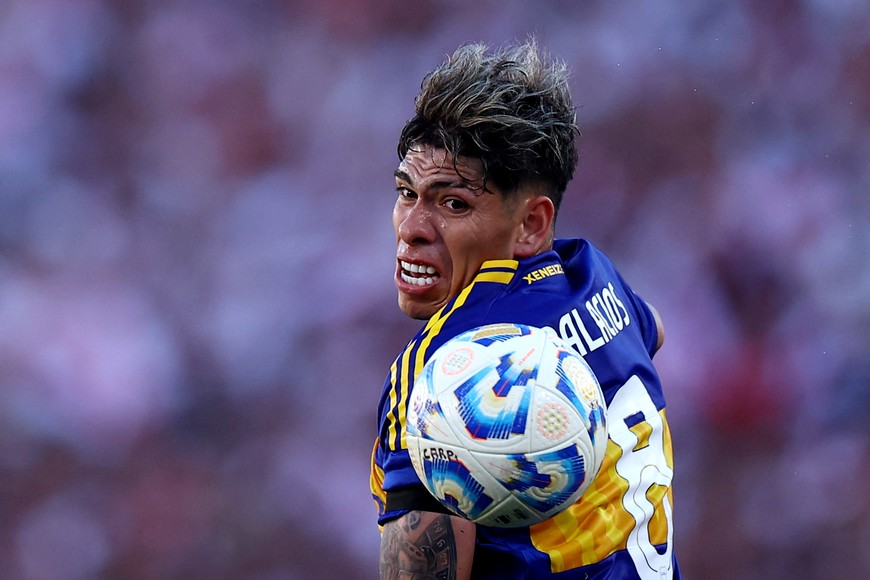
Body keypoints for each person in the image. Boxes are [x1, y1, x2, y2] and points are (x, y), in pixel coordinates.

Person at [371, 39, 680, 579]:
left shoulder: (444, 378)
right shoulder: (592, 276)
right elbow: (652, 330)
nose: (411, 228)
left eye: (453, 203)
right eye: (406, 192)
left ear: (532, 224)